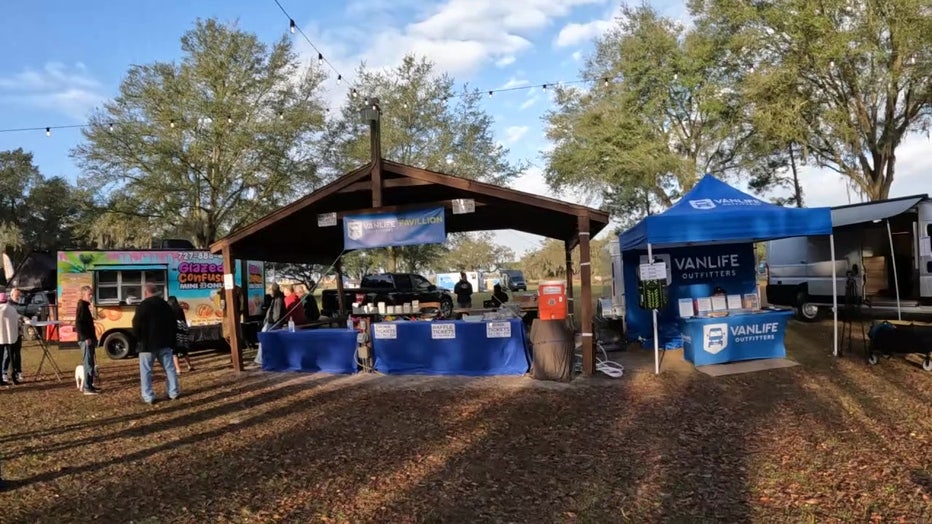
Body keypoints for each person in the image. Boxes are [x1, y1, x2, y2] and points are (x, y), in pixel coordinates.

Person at [132, 284, 179, 404]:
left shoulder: (143, 306)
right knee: (169, 368)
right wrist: (171, 340)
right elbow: (174, 324)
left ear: (146, 293)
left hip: (147, 344)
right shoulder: (166, 305)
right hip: (164, 342)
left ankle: (148, 396)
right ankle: (173, 392)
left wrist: (139, 338)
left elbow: (136, 324)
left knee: (146, 371)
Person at [75, 285, 100, 395]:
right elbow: (79, 324)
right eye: (90, 294)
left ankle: (90, 385)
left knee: (91, 362)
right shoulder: (81, 306)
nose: (91, 296)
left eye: (92, 294)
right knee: (88, 363)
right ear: (84, 295)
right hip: (85, 340)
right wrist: (86, 338)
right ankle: (87, 387)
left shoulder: (85, 306)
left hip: (89, 339)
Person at [253, 283, 285, 366]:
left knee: (263, 338)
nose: (271, 291)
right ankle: (261, 358)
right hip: (270, 322)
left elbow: (277, 314)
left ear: (274, 290)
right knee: (263, 337)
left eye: (271, 289)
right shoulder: (276, 298)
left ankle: (260, 358)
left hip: (272, 323)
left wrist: (272, 322)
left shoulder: (278, 299)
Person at [2, 288, 24, 383]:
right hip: (10, 334)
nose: (19, 297)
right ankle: (7, 373)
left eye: (19, 295)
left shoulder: (17, 306)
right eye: (17, 295)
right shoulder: (9, 307)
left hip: (14, 334)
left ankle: (16, 372)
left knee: (15, 354)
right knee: (9, 355)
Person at [167, 296, 194, 372]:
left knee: (174, 353)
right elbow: (184, 319)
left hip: (174, 332)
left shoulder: (169, 310)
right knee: (184, 351)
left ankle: (178, 369)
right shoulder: (180, 308)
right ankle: (189, 366)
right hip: (182, 330)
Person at [0, 293, 19, 387]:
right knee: (12, 358)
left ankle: (1, 378)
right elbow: (16, 322)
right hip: (11, 337)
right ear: (7, 299)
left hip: (0, 337)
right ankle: (14, 377)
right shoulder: (12, 309)